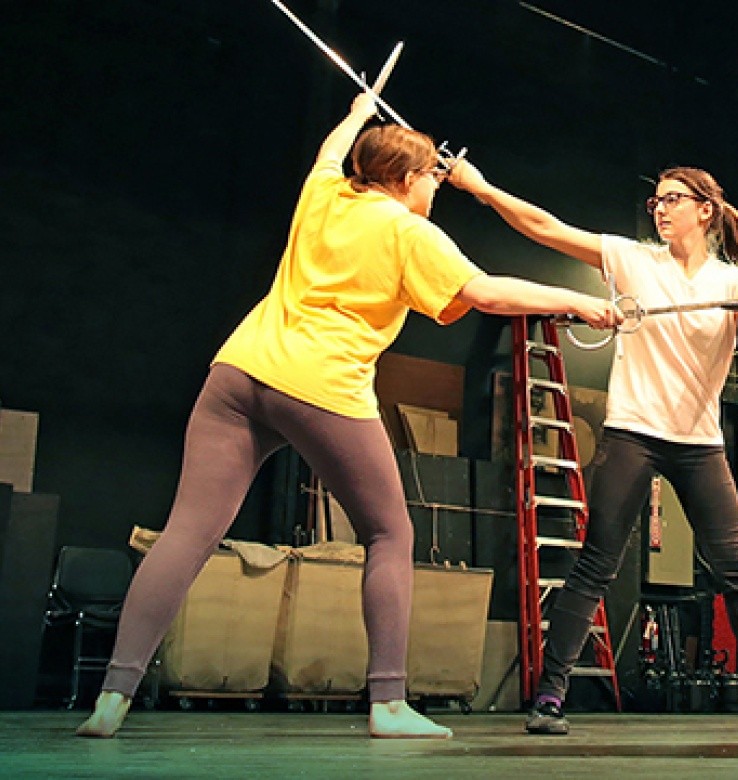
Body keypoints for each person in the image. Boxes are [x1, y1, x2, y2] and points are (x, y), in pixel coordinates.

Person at [76, 92, 617, 740]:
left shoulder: (325, 192)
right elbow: (484, 291)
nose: (432, 192)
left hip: (239, 373)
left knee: (185, 535)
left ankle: (113, 696)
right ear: (407, 179)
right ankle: (388, 703)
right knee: (390, 535)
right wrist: (578, 302)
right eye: (429, 181)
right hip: (321, 387)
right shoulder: (408, 231)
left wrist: (359, 108)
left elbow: (334, 148)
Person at [447, 161, 738, 735]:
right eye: (657, 202)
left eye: (673, 200)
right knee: (595, 564)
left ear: (705, 210)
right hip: (633, 431)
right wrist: (482, 188)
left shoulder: (732, 284)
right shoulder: (633, 260)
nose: (661, 209)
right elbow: (546, 227)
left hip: (698, 443)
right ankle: (548, 699)